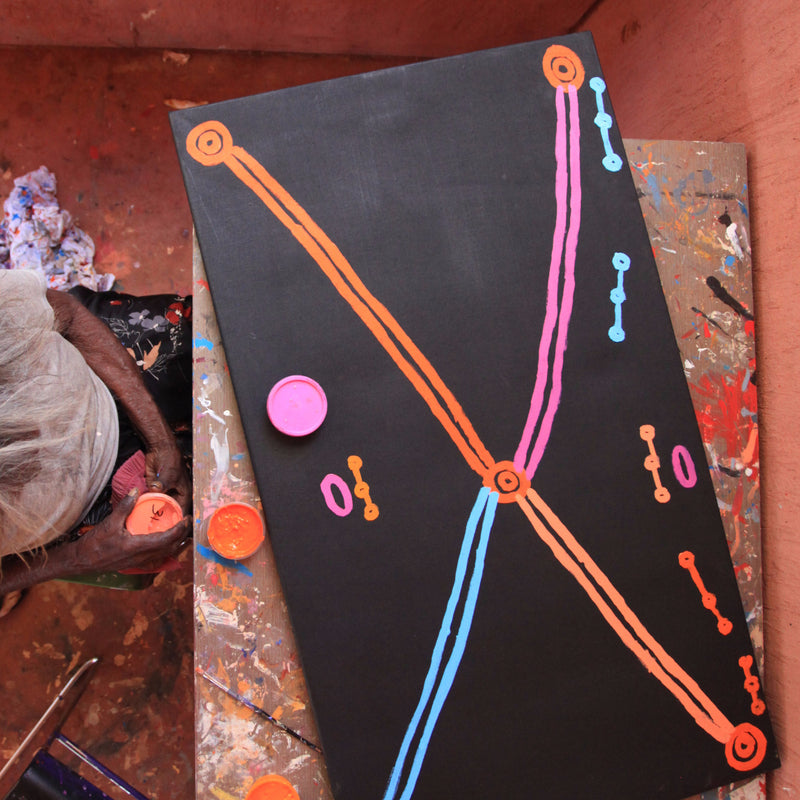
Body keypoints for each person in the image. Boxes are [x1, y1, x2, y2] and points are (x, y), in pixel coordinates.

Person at [0, 269, 192, 615]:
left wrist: (161, 439)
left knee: (235, 345)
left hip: (102, 365)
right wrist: (83, 556)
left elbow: (68, 314)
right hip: (82, 523)